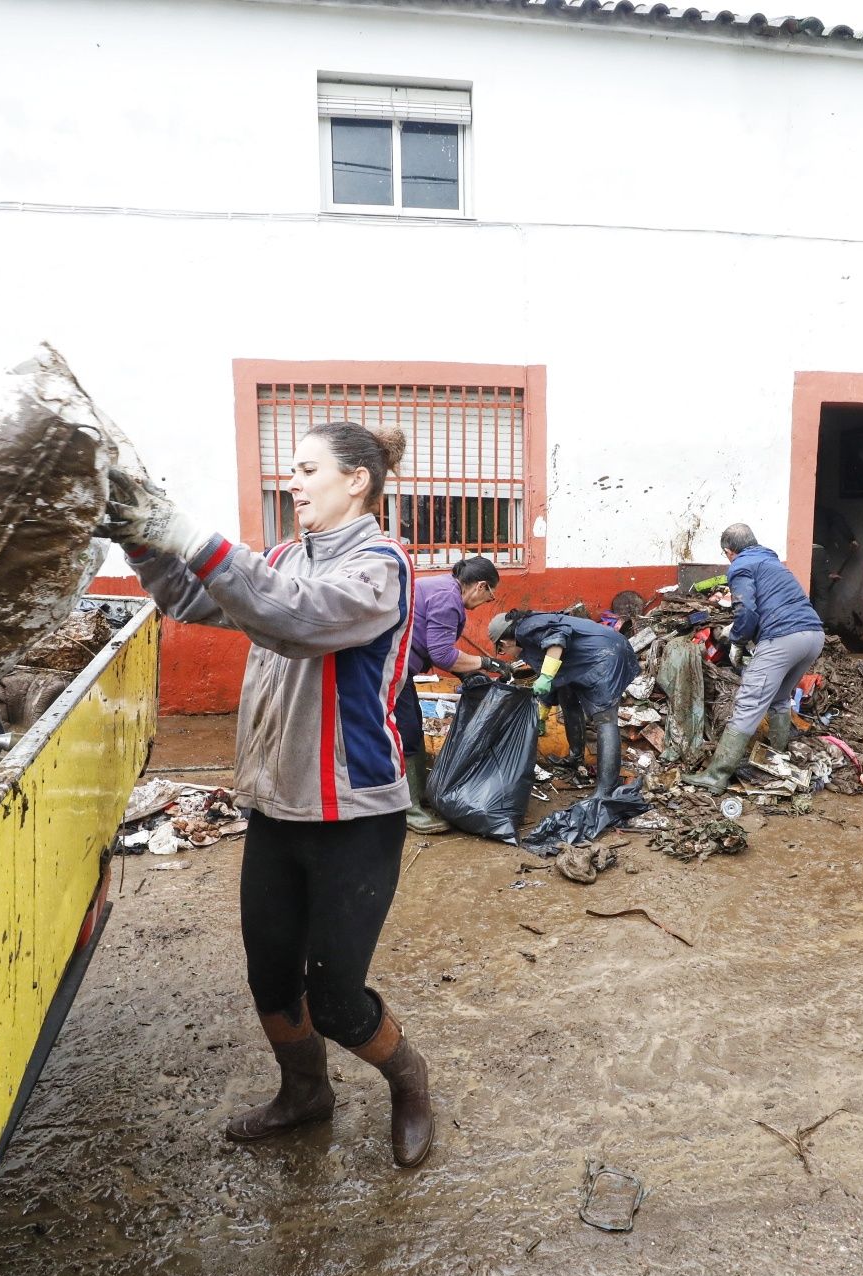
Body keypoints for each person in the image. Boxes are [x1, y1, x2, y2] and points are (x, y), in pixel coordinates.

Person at [103, 421, 433, 1168]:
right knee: (271, 973)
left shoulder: (382, 567)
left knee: (339, 999)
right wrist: (143, 538)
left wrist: (190, 529)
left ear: (358, 480)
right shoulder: (281, 558)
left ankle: (409, 1079)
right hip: (277, 809)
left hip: (355, 817)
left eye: (308, 467)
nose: (293, 480)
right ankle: (305, 1094)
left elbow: (294, 616)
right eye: (292, 467)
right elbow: (198, 599)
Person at [686, 524, 826, 793]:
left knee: (749, 702)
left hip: (784, 638)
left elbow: (747, 611)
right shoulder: (772, 562)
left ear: (729, 551)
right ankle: (778, 758)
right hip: (813, 636)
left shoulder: (740, 566)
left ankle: (716, 776)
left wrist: (736, 638)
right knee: (779, 698)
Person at [398, 555, 506, 833]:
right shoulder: (448, 599)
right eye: (489, 596)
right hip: (388, 667)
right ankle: (409, 810)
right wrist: (486, 663)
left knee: (413, 725)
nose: (485, 602)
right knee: (407, 730)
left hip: (397, 665)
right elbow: (443, 654)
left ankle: (420, 794)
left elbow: (435, 646)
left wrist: (466, 673)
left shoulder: (443, 586)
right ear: (481, 586)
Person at [488, 608, 638, 799]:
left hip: (606, 656)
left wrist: (546, 676)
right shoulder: (530, 643)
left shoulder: (525, 628)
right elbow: (553, 681)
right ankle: (575, 758)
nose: (505, 654)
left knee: (605, 718)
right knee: (567, 697)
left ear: (504, 642)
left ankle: (606, 788)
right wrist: (541, 714)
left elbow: (557, 638)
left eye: (501, 650)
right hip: (589, 659)